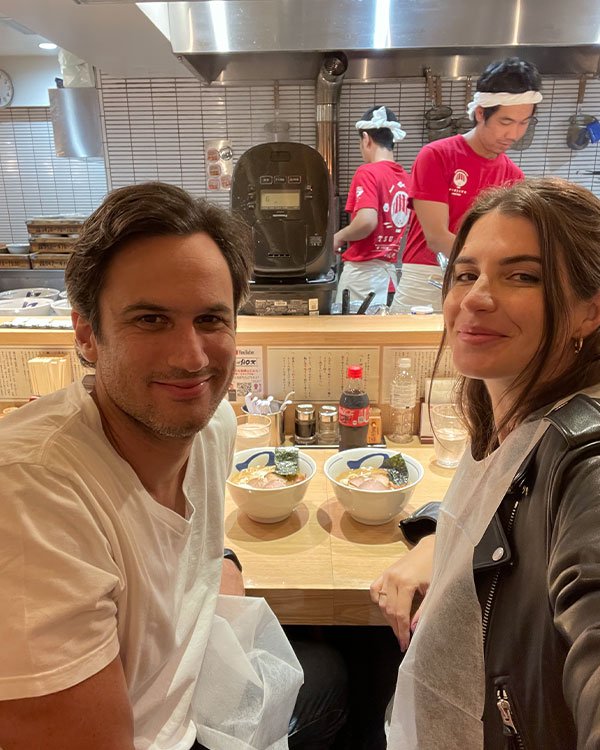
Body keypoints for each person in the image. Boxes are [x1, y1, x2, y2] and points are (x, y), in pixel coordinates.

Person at [0, 182, 348, 750]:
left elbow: (175, 553)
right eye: (150, 320)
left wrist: (222, 562)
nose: (191, 359)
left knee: (334, 671)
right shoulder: (30, 495)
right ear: (87, 334)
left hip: (189, 698)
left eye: (211, 320)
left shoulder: (213, 428)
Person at [374, 177, 600, 748]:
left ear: (588, 311)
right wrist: (436, 539)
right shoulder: (510, 423)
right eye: (467, 273)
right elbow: (503, 503)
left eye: (521, 276)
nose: (475, 298)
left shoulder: (586, 460)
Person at [390, 57, 542, 313]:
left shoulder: (514, 176)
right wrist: (490, 267)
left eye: (523, 123)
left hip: (482, 282)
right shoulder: (437, 155)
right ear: (481, 113)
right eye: (506, 122)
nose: (514, 134)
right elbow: (437, 237)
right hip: (427, 279)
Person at [333, 105, 411, 307]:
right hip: (389, 280)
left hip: (362, 278)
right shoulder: (405, 177)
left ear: (366, 139)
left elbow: (366, 222)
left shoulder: (367, 172)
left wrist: (338, 237)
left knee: (354, 337)